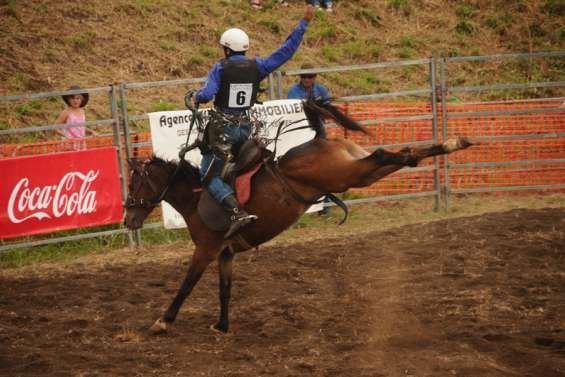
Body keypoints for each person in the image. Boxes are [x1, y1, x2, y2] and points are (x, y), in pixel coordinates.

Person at [194, 5, 315, 239]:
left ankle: (236, 212)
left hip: (223, 131)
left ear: (226, 49)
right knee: (246, 167)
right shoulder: (257, 66)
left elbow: (207, 94)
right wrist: (303, 24)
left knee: (208, 175)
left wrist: (195, 96)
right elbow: (285, 52)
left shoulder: (220, 68)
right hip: (245, 129)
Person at [287, 63, 332, 215]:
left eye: (310, 76)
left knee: (326, 167)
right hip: (301, 132)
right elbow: (294, 112)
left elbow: (327, 110)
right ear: (300, 77)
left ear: (315, 77)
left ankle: (325, 206)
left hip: (318, 129)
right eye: (304, 76)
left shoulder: (322, 90)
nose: (306, 79)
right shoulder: (293, 91)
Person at [54, 85, 97, 150]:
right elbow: (55, 128)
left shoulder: (82, 111)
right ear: (68, 100)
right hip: (69, 145)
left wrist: (91, 131)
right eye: (72, 98)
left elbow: (80, 127)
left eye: (78, 98)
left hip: (81, 143)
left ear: (82, 99)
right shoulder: (66, 112)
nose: (75, 101)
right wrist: (67, 136)